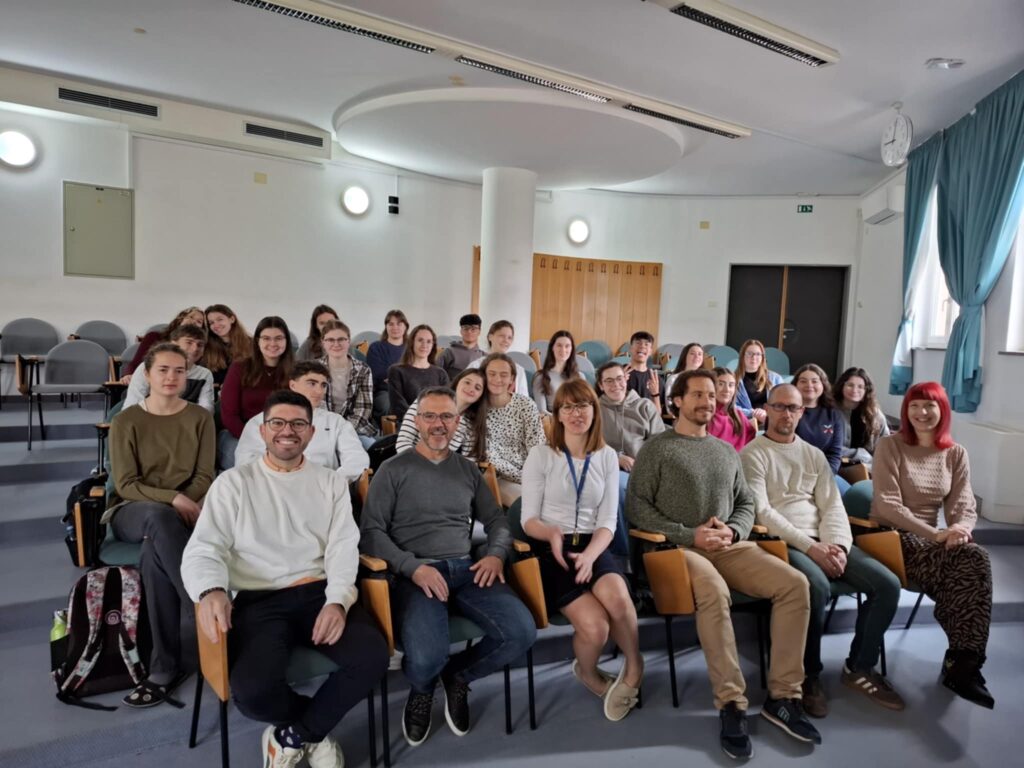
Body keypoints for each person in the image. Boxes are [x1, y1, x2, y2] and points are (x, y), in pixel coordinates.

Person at [182, 389, 389, 768]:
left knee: (372, 656)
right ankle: (312, 728)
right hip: (258, 599)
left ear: (311, 433)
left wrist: (338, 600)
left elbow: (343, 548)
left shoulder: (330, 483)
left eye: (298, 424)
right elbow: (204, 548)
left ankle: (291, 736)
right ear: (262, 431)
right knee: (253, 693)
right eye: (277, 422)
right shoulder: (233, 483)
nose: (287, 431)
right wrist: (210, 589)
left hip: (318, 592)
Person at [626, 369, 819, 758]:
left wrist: (733, 529)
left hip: (727, 545)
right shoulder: (656, 449)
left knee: (795, 584)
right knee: (714, 592)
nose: (707, 401)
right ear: (677, 401)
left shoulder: (725, 450)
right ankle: (732, 703)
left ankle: (784, 697)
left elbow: (746, 502)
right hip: (675, 550)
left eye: (711, 395)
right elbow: (637, 508)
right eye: (697, 394)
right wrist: (689, 535)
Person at [360, 386, 537, 746]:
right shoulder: (392, 469)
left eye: (446, 416)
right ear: (417, 421)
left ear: (457, 422)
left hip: (466, 569)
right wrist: (412, 568)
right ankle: (422, 688)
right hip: (416, 575)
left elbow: (497, 521)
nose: (438, 424)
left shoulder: (468, 470)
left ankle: (458, 676)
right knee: (427, 658)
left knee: (521, 631)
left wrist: (495, 554)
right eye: (430, 416)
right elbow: (371, 534)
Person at [741, 384, 904, 717]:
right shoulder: (752, 453)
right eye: (779, 407)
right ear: (767, 410)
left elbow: (832, 505)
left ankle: (859, 667)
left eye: (794, 408)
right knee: (814, 587)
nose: (786, 414)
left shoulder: (813, 454)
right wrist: (811, 547)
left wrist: (839, 546)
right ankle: (808, 675)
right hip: (783, 542)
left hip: (825, 540)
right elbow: (762, 512)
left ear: (802, 413)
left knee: (887, 584)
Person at [521, 379, 643, 721]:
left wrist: (590, 556)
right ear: (558, 414)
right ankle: (587, 672)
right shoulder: (541, 455)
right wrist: (551, 533)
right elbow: (528, 519)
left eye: (583, 405)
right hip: (552, 549)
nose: (576, 413)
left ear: (594, 410)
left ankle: (634, 667)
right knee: (596, 628)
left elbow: (608, 521)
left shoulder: (606, 457)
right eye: (568, 407)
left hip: (594, 544)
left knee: (619, 599)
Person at [104, 342, 215, 708]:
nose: (171, 377)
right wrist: (174, 499)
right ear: (147, 374)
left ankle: (164, 667)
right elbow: (126, 485)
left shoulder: (199, 418)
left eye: (179, 371)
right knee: (158, 517)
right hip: (133, 511)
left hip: (180, 515)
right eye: (163, 370)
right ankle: (201, 607)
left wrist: (183, 500)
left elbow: (204, 476)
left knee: (155, 553)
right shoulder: (126, 421)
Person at [871, 381, 994, 709]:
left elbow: (964, 505)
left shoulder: (955, 453)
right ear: (905, 410)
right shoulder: (889, 445)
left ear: (943, 410)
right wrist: (936, 534)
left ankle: (964, 662)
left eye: (929, 405)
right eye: (914, 405)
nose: (922, 412)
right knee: (966, 570)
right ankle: (962, 665)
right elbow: (887, 506)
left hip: (929, 539)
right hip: (890, 536)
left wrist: (960, 529)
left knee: (973, 558)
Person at [235, 361, 369, 481]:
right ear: (293, 385)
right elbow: (245, 461)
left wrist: (333, 482)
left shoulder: (335, 422)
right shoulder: (261, 421)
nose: (319, 391)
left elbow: (357, 459)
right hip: (274, 486)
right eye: (312, 383)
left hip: (323, 489)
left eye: (323, 385)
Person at [595, 360, 665, 555]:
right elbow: (589, 444)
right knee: (616, 486)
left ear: (626, 380)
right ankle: (624, 556)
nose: (615, 385)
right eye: (609, 381)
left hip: (644, 469)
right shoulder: (594, 410)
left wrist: (643, 465)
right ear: (601, 385)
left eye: (619, 379)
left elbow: (659, 444)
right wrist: (615, 457)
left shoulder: (645, 406)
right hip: (609, 469)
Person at [219, 316, 294, 470]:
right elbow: (229, 415)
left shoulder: (296, 370)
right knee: (249, 469)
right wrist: (257, 440)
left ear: (286, 341)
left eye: (278, 338)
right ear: (257, 341)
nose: (272, 343)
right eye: (266, 338)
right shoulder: (239, 368)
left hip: (283, 435)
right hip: (240, 433)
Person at [479, 353, 547, 506]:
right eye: (492, 374)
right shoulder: (476, 410)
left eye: (504, 375)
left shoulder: (526, 404)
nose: (498, 379)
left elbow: (537, 446)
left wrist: (536, 476)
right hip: (498, 476)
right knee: (530, 503)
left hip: (533, 473)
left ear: (512, 379)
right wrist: (526, 478)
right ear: (483, 376)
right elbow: (491, 456)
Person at [397, 368, 486, 458]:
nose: (471, 389)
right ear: (457, 382)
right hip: (411, 462)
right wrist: (422, 464)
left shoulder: (471, 425)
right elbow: (403, 442)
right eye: (467, 382)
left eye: (477, 388)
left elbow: (470, 459)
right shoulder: (425, 401)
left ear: (480, 396)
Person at [124, 324, 214, 412]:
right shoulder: (149, 367)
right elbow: (133, 403)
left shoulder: (204, 374)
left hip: (188, 420)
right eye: (189, 342)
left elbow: (206, 408)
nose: (195, 349)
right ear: (174, 343)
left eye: (200, 345)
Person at [318, 320, 376, 448]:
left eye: (341, 339)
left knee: (372, 448)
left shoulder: (363, 370)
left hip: (355, 429)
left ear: (348, 341)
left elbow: (363, 409)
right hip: (321, 429)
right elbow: (313, 408)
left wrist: (343, 431)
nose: (336, 344)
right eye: (330, 340)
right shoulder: (314, 369)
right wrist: (330, 431)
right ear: (323, 342)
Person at [792, 364, 849, 495]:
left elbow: (835, 454)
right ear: (795, 385)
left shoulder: (833, 414)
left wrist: (824, 478)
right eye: (803, 381)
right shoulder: (787, 412)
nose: (809, 385)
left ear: (823, 385)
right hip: (794, 475)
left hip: (825, 474)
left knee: (850, 496)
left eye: (815, 381)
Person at [121, 306, 206, 380]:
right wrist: (128, 375)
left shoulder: (198, 347)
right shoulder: (153, 337)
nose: (193, 322)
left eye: (199, 321)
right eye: (190, 317)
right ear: (180, 319)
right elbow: (136, 363)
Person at [387, 324, 449, 423]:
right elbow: (398, 406)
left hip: (436, 424)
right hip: (408, 423)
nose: (424, 345)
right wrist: (423, 421)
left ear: (433, 345)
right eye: (420, 340)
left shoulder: (441, 373)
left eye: (429, 341)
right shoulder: (396, 371)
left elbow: (446, 405)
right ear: (412, 343)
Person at [833, 367, 890, 472]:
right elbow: (825, 446)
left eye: (860, 387)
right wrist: (859, 454)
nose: (854, 390)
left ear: (866, 390)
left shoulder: (875, 414)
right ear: (842, 386)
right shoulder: (829, 411)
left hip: (869, 468)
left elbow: (886, 446)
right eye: (850, 385)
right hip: (835, 465)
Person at [465, 320, 529, 397]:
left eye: (509, 338)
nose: (506, 340)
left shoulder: (519, 370)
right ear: (490, 337)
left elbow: (524, 399)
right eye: (502, 336)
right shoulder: (475, 366)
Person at [366, 309, 409, 423]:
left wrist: (394, 377)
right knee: (390, 406)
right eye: (391, 324)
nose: (395, 327)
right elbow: (378, 374)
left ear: (405, 327)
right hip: (385, 392)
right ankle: (390, 434)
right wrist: (404, 377)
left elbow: (418, 372)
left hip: (410, 390)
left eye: (399, 324)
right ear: (386, 327)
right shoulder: (376, 348)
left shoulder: (412, 349)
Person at [532, 329, 583, 415]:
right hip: (554, 420)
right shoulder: (540, 377)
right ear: (552, 348)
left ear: (572, 349)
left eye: (567, 346)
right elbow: (542, 412)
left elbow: (584, 405)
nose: (563, 350)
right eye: (559, 345)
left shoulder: (580, 377)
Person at [734, 339, 784, 423]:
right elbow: (731, 407)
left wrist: (767, 414)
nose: (753, 357)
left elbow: (783, 403)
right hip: (744, 422)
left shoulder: (776, 378)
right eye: (749, 353)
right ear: (742, 356)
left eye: (758, 354)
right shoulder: (733, 379)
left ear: (762, 358)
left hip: (771, 422)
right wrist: (753, 413)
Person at [707, 367, 755, 452]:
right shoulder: (703, 416)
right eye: (721, 384)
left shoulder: (739, 416)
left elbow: (751, 445)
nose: (727, 390)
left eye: (731, 385)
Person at [203, 304, 251, 385]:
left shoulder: (252, 344)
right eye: (211, 322)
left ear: (232, 319)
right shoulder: (206, 347)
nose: (216, 325)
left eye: (220, 319)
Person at [436, 313, 485, 379]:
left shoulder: (484, 356)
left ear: (479, 331)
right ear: (461, 331)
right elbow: (437, 375)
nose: (469, 331)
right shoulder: (449, 352)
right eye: (466, 328)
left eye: (473, 329)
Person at [623, 331, 660, 404]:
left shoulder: (655, 380)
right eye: (638, 343)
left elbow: (658, 411)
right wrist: (619, 383)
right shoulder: (619, 373)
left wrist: (655, 394)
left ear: (650, 351)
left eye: (646, 344)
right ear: (630, 348)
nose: (642, 346)